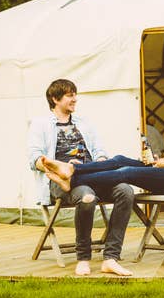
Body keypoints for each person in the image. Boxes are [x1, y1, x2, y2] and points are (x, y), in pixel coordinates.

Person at [40, 72, 164, 199]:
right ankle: (72, 170)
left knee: (126, 172)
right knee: (119, 159)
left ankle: (71, 180)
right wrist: (159, 160)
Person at [27, 79, 134, 277]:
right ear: (55, 98)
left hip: (92, 174)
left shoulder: (84, 123)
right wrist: (52, 165)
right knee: (87, 197)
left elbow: (99, 150)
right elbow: (33, 159)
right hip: (61, 182)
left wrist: (101, 160)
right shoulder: (40, 124)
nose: (75, 99)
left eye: (75, 94)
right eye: (70, 95)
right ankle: (83, 258)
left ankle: (111, 257)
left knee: (125, 190)